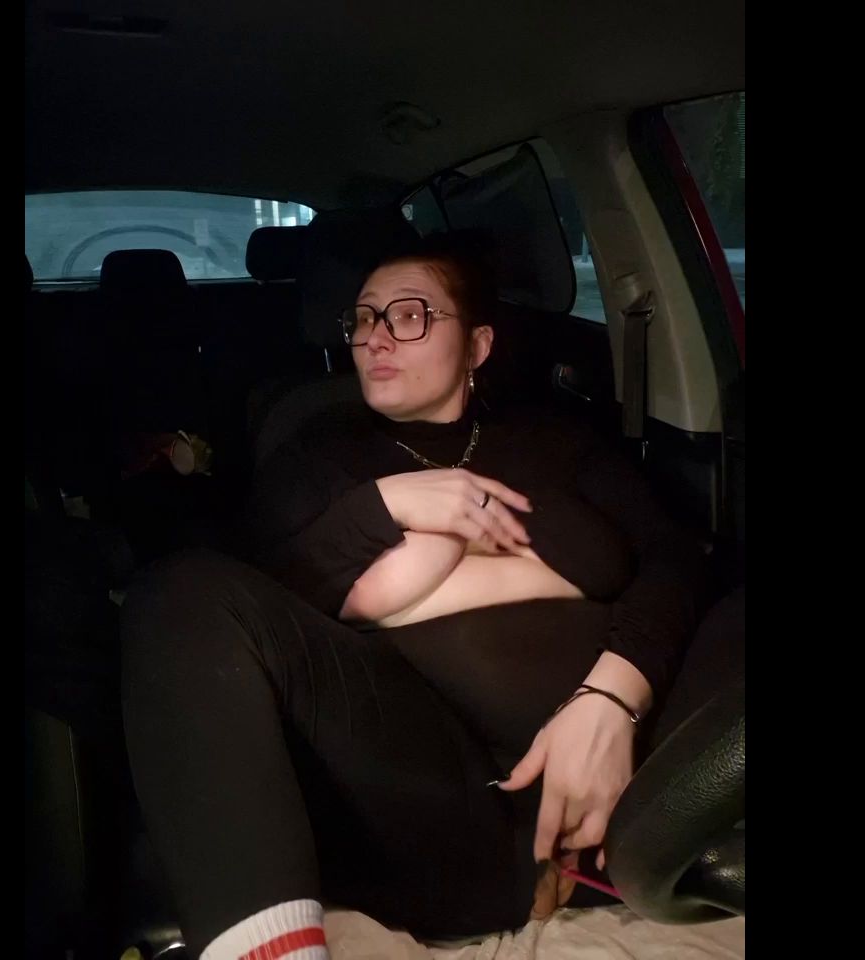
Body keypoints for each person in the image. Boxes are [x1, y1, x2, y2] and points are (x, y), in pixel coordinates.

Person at [121, 234, 712, 960]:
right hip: (424, 794)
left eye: (409, 315)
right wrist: (385, 507)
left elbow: (674, 561)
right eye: (364, 318)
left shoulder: (555, 441)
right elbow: (254, 608)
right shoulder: (316, 451)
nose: (375, 337)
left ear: (477, 345)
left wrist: (612, 698)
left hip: (605, 788)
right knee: (176, 590)